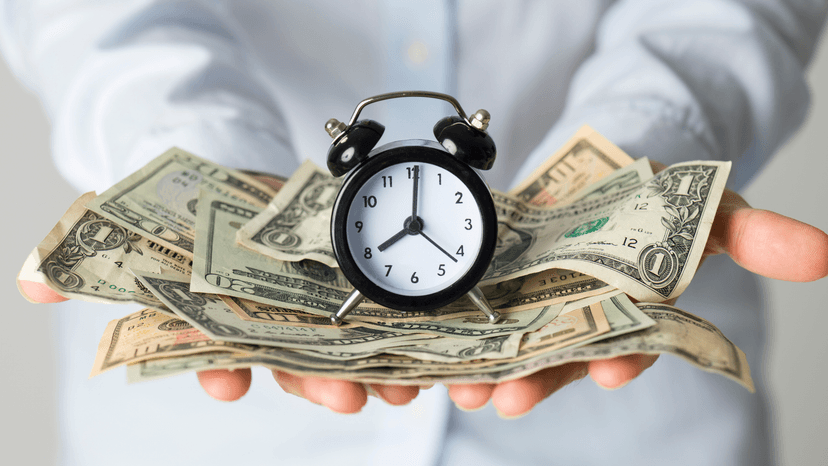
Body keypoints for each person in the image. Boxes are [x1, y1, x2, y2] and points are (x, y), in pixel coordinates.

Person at [6, 1, 828, 464]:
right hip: (209, 442)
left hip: (637, 432)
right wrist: (189, 155)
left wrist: (642, 145)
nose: (411, 224)